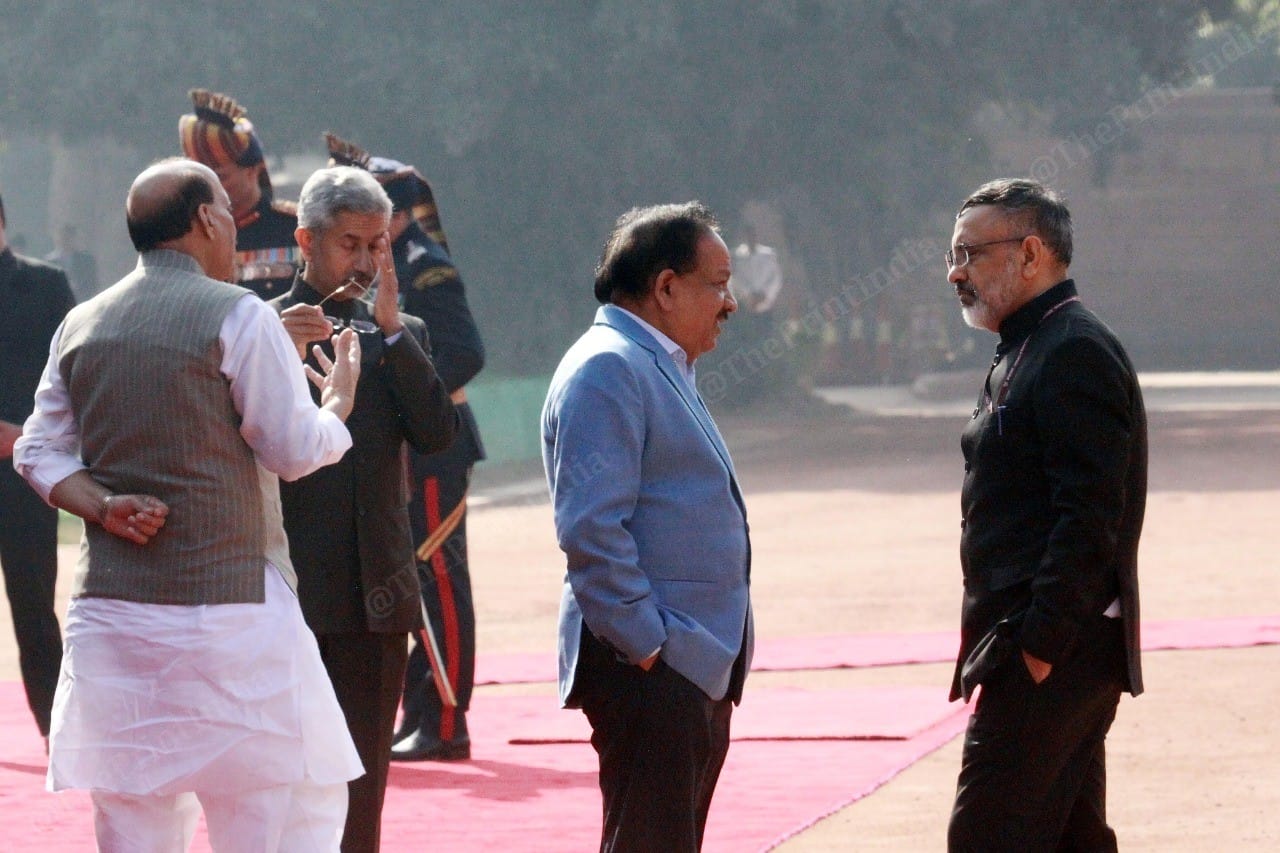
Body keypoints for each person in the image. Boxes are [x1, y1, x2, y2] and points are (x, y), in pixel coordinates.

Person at [13, 158, 365, 848]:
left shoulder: (83, 322)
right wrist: (336, 411)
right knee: (274, 806)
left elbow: (36, 450)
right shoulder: (237, 315)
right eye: (230, 220)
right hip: (231, 607)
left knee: (134, 812)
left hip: (114, 613)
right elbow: (292, 450)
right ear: (207, 219)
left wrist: (102, 505)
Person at [541, 201, 753, 852]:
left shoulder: (655, 363)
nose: (730, 302)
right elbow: (591, 528)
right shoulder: (610, 366)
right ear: (665, 287)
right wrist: (649, 645)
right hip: (653, 669)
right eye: (717, 282)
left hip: (683, 665)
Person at [944, 178, 1147, 852]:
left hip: (1054, 649)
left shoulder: (1071, 350)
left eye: (970, 254)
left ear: (1030, 253)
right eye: (954, 253)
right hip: (1046, 646)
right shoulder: (1029, 346)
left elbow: (1091, 516)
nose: (956, 272)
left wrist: (1038, 645)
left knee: (984, 836)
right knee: (1072, 838)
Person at [270, 165, 458, 852]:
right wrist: (277, 348)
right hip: (285, 592)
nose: (367, 260)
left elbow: (439, 433)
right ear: (306, 240)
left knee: (361, 796)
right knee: (282, 788)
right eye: (350, 244)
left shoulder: (399, 330)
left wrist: (392, 333)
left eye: (378, 244)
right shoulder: (260, 327)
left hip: (377, 593)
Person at [324, 133, 488, 762]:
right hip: (403, 449)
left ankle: (447, 721)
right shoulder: (372, 267)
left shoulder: (421, 263)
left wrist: (402, 403)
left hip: (433, 448)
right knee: (416, 578)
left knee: (437, 578)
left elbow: (465, 353)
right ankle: (422, 709)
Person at [0, 189, 76, 747]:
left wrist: (23, 433)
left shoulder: (46, 286)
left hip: (24, 473)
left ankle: (57, 730)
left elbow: (76, 376)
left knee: (33, 607)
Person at [180, 88, 300, 299]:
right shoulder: (188, 235)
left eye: (220, 177)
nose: (211, 188)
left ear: (252, 170)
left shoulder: (293, 227)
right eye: (202, 179)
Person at [45, 223, 99, 301]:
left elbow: (92, 283)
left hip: (81, 302)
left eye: (68, 237)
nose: (64, 241)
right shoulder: (48, 262)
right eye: (62, 237)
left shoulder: (86, 260)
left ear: (74, 239)